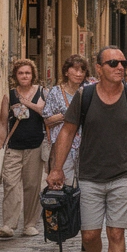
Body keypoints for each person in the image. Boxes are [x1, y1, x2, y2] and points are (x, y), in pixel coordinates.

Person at [46, 47, 127, 252]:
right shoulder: (85, 96)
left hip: (123, 174)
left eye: (123, 62)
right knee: (90, 234)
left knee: (116, 232)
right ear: (100, 67)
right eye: (113, 62)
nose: (120, 66)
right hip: (90, 175)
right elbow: (67, 132)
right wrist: (57, 168)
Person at [0, 59, 47, 239]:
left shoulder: (41, 92)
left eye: (28, 73)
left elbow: (45, 114)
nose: (24, 76)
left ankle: (30, 224)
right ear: (15, 76)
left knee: (32, 186)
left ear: (33, 75)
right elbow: (2, 123)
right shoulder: (9, 96)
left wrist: (27, 104)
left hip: (35, 145)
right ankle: (8, 224)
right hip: (14, 146)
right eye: (21, 73)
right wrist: (1, 145)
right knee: (10, 183)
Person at [44, 56, 88, 187]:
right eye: (75, 70)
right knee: (65, 183)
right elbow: (47, 120)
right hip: (62, 145)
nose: (79, 74)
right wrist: (68, 115)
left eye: (82, 70)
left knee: (85, 185)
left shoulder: (88, 92)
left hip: (85, 145)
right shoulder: (56, 92)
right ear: (66, 72)